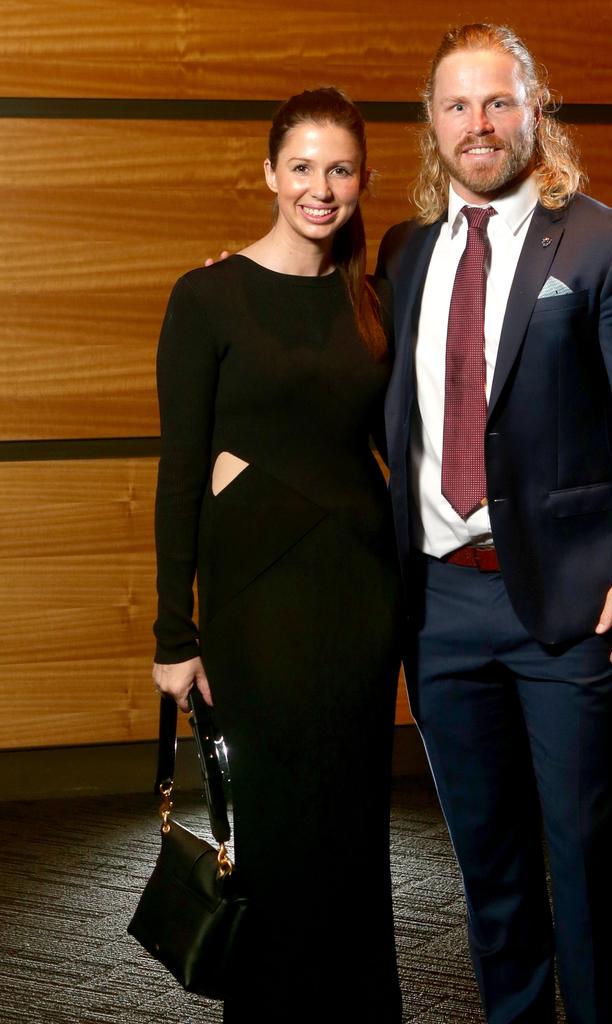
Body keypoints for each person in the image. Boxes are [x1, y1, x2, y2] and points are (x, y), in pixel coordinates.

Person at [375, 23, 612, 1024]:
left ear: (536, 111)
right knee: (489, 866)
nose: (479, 123)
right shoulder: (403, 253)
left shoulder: (603, 239)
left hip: (576, 607)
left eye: (499, 101)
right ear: (433, 123)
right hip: (439, 607)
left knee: (586, 861)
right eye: (458, 104)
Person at [151, 87, 402, 1022]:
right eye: (302, 166)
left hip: (360, 601)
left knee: (351, 838)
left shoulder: (372, 298)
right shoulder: (207, 295)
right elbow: (179, 473)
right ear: (269, 173)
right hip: (257, 612)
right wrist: (175, 635)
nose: (320, 187)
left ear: (362, 177)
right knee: (268, 835)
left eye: (339, 168)